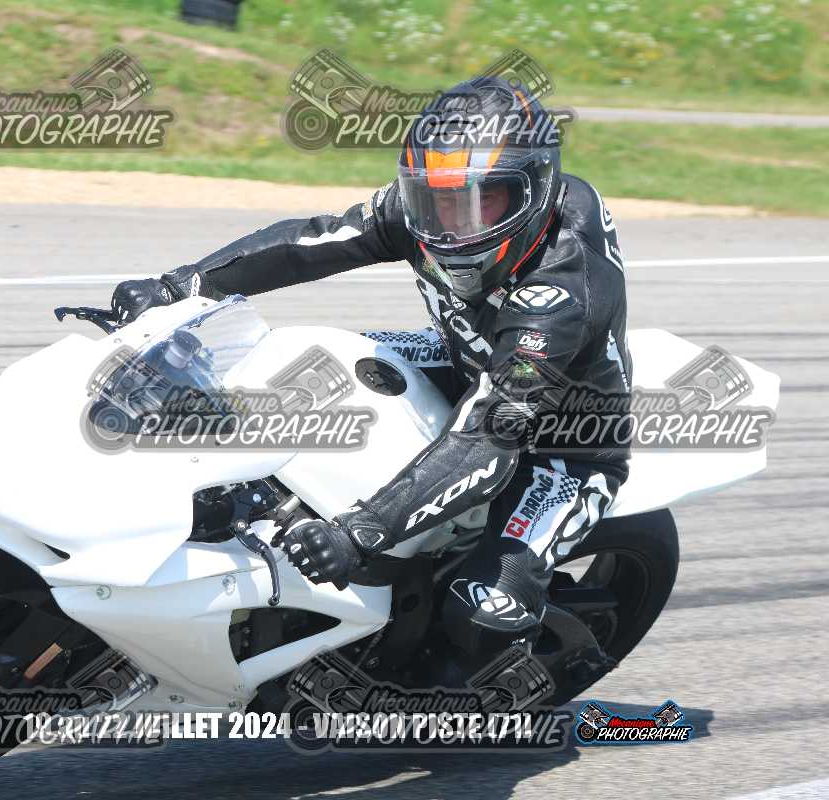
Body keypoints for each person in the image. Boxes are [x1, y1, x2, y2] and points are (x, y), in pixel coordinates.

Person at [109, 74, 633, 670]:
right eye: (437, 201)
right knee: (296, 365)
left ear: (534, 190)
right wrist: (183, 286)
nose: (451, 225)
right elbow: (315, 242)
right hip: (461, 355)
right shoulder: (429, 206)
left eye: (479, 201)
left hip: (559, 441)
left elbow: (491, 434)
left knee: (482, 613)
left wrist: (359, 533)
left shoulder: (562, 295)